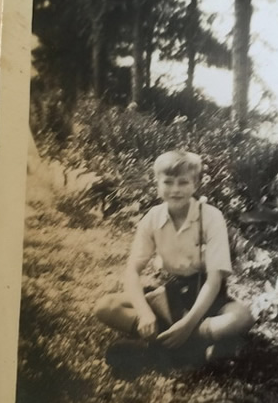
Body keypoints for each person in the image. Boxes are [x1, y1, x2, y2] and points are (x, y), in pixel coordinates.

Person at [95, 150, 254, 365]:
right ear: (158, 184)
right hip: (172, 293)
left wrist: (188, 325)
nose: (175, 189)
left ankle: (161, 346)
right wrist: (144, 313)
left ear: (195, 184)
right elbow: (132, 270)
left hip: (207, 295)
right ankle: (192, 346)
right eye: (168, 182)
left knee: (242, 318)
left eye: (183, 182)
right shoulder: (153, 218)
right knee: (106, 306)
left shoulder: (211, 217)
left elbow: (214, 280)